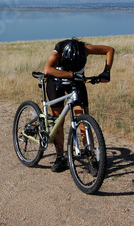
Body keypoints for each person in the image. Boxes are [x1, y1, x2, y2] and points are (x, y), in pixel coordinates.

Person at [43, 38, 114, 172]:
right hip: (56, 83)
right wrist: (71, 74)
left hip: (76, 83)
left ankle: (91, 158)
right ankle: (60, 157)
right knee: (59, 120)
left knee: (83, 119)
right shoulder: (58, 52)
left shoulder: (85, 49)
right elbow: (47, 70)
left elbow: (109, 50)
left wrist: (107, 71)